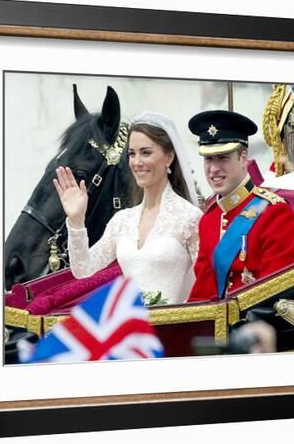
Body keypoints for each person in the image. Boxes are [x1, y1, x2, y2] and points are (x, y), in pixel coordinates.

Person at [53, 112, 202, 304]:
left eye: (146, 152)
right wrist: (76, 220)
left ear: (169, 157)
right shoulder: (122, 220)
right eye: (132, 153)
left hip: (175, 329)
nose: (137, 162)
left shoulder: (190, 217)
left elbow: (204, 287)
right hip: (131, 329)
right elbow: (83, 269)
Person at [186, 110, 294, 302]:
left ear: (242, 158)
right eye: (208, 159)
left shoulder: (274, 212)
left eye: (223, 157)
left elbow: (276, 295)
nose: (214, 169)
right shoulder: (209, 219)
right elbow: (203, 295)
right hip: (219, 328)